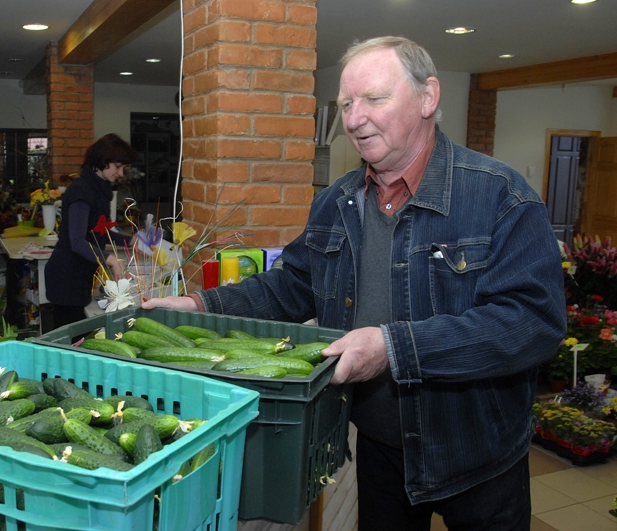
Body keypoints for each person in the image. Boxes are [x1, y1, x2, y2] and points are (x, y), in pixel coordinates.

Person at [143, 36, 566, 530]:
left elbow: (533, 323)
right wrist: (201, 305)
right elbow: (292, 286)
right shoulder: (337, 201)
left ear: (428, 97)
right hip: (380, 451)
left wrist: (394, 347)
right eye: (346, 103)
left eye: (374, 99)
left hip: (479, 457)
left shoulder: (501, 197)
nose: (354, 118)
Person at [45, 133, 136, 330]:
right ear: (103, 161)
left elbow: (97, 233)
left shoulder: (97, 189)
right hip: (66, 276)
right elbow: (78, 241)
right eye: (118, 167)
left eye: (123, 168)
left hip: (78, 274)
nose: (121, 174)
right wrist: (110, 258)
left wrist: (131, 241)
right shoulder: (83, 190)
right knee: (70, 343)